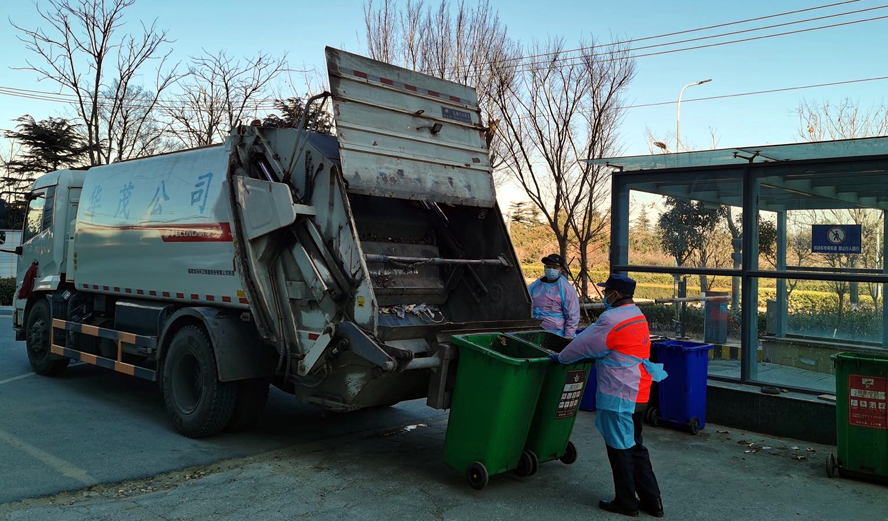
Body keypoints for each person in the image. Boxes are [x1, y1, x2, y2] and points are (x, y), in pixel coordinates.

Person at [550, 274, 667, 518]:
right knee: (635, 446)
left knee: (620, 448)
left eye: (607, 291)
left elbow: (583, 344)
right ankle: (652, 501)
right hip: (639, 391)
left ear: (615, 294)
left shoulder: (611, 319)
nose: (604, 295)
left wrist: (560, 358)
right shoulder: (637, 314)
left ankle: (626, 502)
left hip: (619, 392)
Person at [528, 254, 580, 338]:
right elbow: (525, 297)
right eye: (548, 266)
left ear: (561, 269)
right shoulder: (537, 284)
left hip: (556, 334)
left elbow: (572, 316)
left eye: (555, 267)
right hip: (535, 329)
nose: (551, 269)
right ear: (544, 267)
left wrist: (568, 337)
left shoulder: (566, 289)